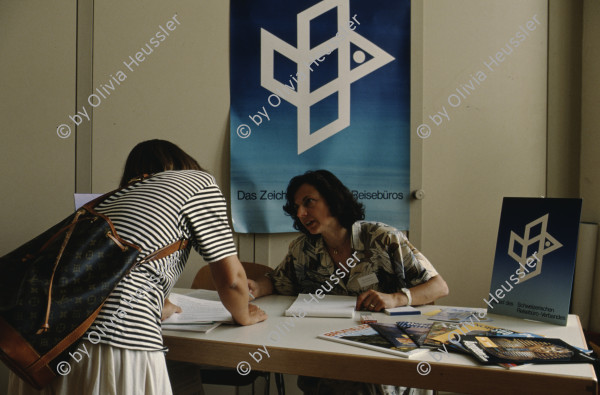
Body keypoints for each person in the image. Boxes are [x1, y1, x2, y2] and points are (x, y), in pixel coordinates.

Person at [8, 139, 267, 395]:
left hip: (46, 345)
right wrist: (244, 314)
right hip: (117, 344)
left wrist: (157, 302)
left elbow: (107, 272)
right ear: (183, 165)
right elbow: (232, 280)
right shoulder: (198, 183)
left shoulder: (107, 202)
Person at [249, 169, 449, 395]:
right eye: (297, 208)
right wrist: (254, 288)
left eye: (309, 202)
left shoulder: (383, 237)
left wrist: (396, 298)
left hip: (386, 349)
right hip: (327, 345)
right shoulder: (302, 248)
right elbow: (278, 281)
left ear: (333, 200)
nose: (302, 213)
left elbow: (438, 287)